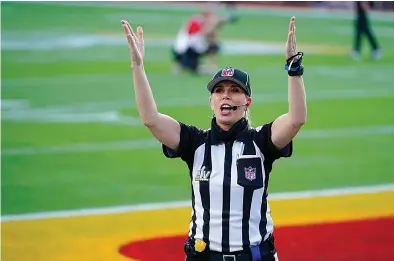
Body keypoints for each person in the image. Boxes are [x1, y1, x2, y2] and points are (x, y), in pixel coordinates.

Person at [121, 16, 307, 261]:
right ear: (211, 101)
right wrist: (137, 67)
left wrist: (294, 69)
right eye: (219, 91)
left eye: (234, 90)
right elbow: (151, 119)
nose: (225, 96)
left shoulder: (261, 141)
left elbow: (296, 119)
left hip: (253, 256)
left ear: (247, 102)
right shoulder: (195, 142)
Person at [171, 7, 238, 75]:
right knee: (195, 69)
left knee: (213, 47)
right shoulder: (198, 21)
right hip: (188, 49)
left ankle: (207, 66)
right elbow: (204, 34)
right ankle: (208, 66)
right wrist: (214, 25)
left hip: (187, 48)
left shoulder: (198, 20)